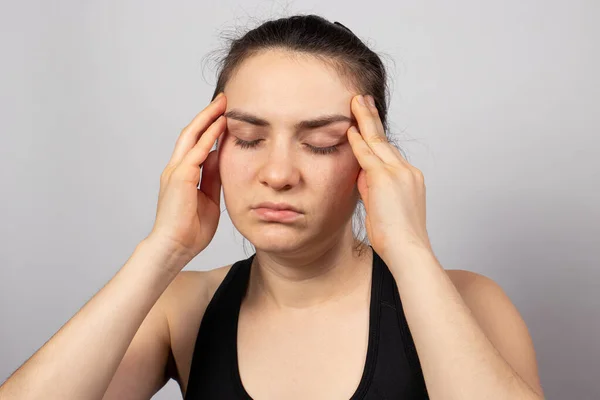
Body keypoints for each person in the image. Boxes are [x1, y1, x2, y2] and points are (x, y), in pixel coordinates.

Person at [0, 14, 545, 400]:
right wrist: (162, 250)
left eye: (322, 143)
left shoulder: (470, 302)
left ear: (373, 161)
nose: (279, 174)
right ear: (211, 149)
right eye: (248, 138)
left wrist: (410, 252)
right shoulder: (180, 309)